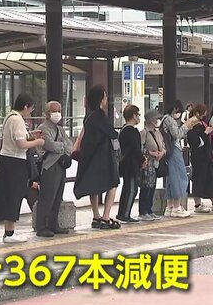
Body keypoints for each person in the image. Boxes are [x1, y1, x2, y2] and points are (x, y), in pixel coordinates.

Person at [0, 92, 45, 243]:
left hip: (7, 161)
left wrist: (31, 135)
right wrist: (38, 142)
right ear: (25, 107)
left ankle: (9, 231)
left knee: (10, 196)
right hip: (15, 163)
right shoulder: (17, 120)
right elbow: (21, 144)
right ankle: (10, 233)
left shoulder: (9, 117)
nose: (30, 112)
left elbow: (17, 139)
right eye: (31, 109)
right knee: (13, 196)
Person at [74, 86, 121, 230]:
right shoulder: (101, 116)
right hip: (103, 156)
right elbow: (112, 133)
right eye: (105, 96)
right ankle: (106, 217)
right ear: (101, 99)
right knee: (113, 183)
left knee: (93, 186)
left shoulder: (88, 116)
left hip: (89, 155)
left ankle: (96, 215)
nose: (106, 99)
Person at [35, 101, 72, 237]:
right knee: (47, 197)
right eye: (54, 111)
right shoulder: (43, 128)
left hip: (61, 165)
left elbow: (70, 145)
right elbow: (49, 145)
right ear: (47, 114)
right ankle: (41, 226)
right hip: (49, 165)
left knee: (57, 197)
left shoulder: (60, 129)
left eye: (59, 111)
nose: (57, 114)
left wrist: (61, 146)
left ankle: (53, 224)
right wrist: (62, 146)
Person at [186, 104, 213, 213]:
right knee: (199, 180)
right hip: (198, 157)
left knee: (210, 178)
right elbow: (195, 142)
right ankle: (197, 204)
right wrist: (205, 133)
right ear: (197, 113)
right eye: (203, 113)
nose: (204, 116)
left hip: (206, 156)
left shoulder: (202, 123)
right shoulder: (191, 125)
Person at [160, 100, 197, 218]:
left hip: (169, 151)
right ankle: (177, 207)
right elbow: (177, 135)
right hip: (174, 150)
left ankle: (170, 206)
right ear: (175, 109)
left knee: (171, 179)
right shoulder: (170, 120)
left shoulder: (164, 119)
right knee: (180, 177)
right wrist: (187, 126)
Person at [116, 105, 146, 223]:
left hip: (126, 164)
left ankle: (122, 213)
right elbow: (135, 149)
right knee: (132, 189)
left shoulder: (124, 129)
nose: (139, 117)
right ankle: (125, 214)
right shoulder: (131, 131)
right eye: (138, 115)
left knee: (127, 188)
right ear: (133, 115)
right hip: (131, 164)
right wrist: (142, 159)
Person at [138, 109, 165, 221]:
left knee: (152, 187)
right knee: (146, 187)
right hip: (147, 164)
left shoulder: (158, 133)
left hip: (156, 163)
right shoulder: (144, 133)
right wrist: (151, 153)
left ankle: (149, 209)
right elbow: (141, 148)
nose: (157, 121)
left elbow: (163, 146)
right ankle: (143, 211)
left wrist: (162, 153)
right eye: (155, 119)